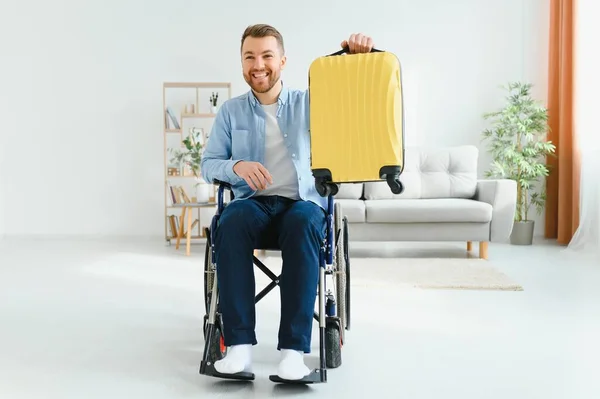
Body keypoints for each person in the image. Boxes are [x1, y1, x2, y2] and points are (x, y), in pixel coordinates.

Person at [200, 24, 374, 381]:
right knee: (230, 221)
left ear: (282, 60)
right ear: (242, 62)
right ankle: (239, 349)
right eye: (249, 56)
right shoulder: (231, 112)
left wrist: (358, 61)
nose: (258, 64)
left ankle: (293, 354)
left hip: (301, 204)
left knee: (303, 224)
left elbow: (353, 107)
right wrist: (237, 166)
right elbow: (207, 165)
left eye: (266, 55)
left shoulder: (311, 103)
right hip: (254, 204)